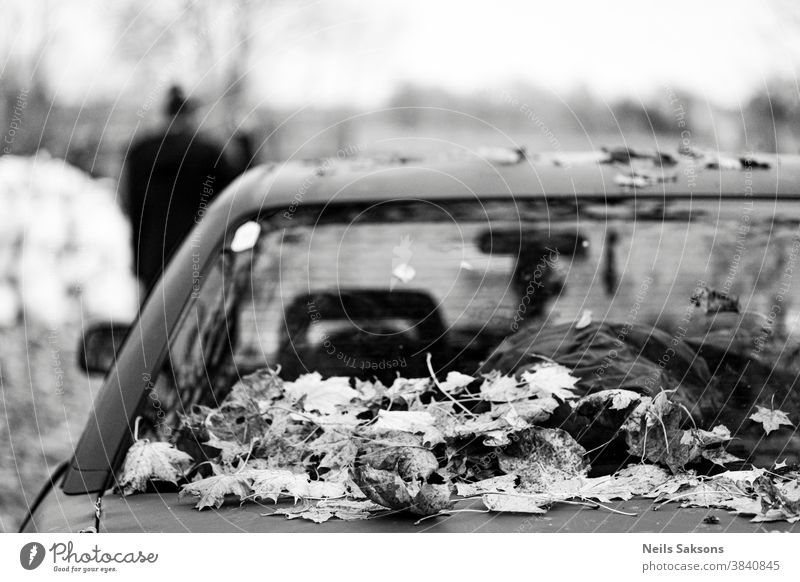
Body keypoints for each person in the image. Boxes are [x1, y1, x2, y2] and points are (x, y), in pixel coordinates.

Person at [125, 85, 238, 290]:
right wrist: (246, 142)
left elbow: (134, 210)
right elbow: (237, 193)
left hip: (153, 258)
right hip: (199, 255)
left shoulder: (141, 153)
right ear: (190, 115)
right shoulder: (206, 153)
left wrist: (138, 264)